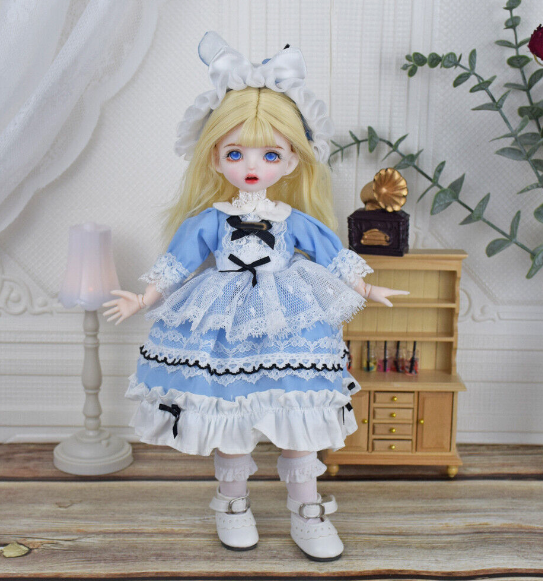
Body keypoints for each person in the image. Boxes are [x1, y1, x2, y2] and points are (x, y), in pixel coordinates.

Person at [103, 32, 408, 562]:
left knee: (298, 413)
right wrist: (142, 298)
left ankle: (307, 509)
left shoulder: (293, 218)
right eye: (235, 152)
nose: (252, 165)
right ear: (215, 158)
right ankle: (232, 503)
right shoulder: (209, 220)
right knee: (231, 416)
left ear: (290, 162)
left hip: (288, 318)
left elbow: (333, 254)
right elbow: (178, 262)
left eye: (270, 153)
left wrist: (365, 286)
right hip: (222, 321)